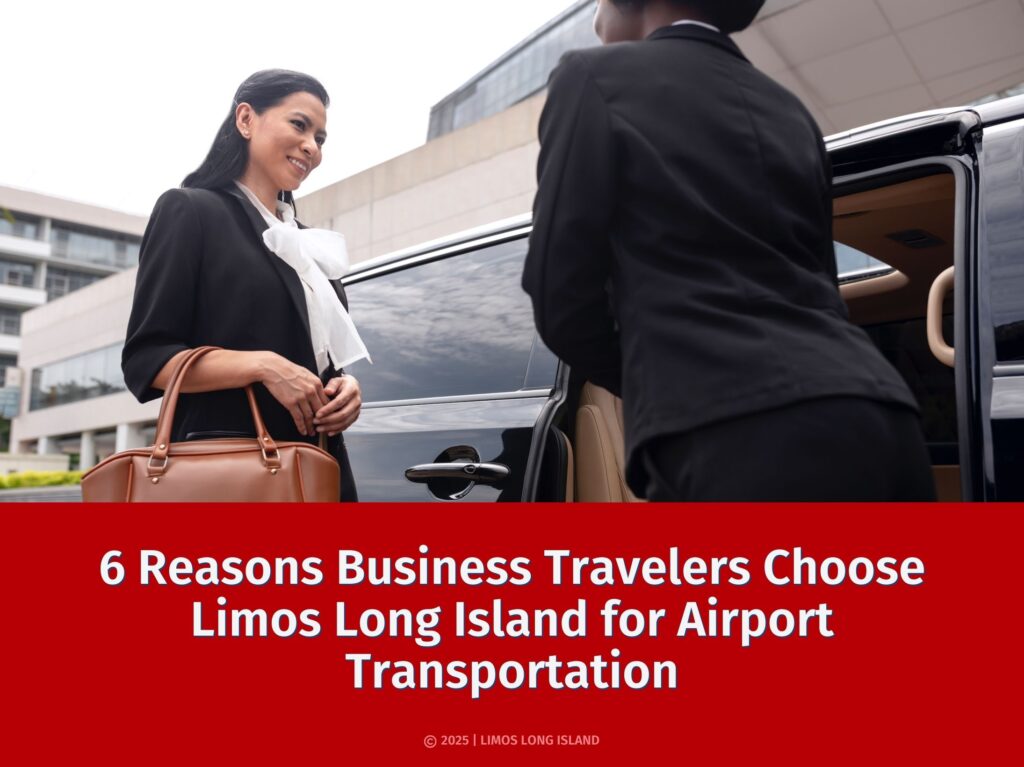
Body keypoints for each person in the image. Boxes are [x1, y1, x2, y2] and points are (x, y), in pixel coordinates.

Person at [522, 0, 936, 501]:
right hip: (880, 412)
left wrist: (665, 383)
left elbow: (559, 293)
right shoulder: (790, 109)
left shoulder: (593, 76)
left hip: (735, 428)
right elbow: (821, 286)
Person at [122, 69, 367, 501]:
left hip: (319, 468)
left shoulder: (308, 244)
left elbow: (312, 357)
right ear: (246, 119)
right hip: (231, 471)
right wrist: (262, 366)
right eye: (299, 125)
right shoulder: (190, 210)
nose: (312, 146)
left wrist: (343, 386)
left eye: (321, 138)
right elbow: (147, 360)